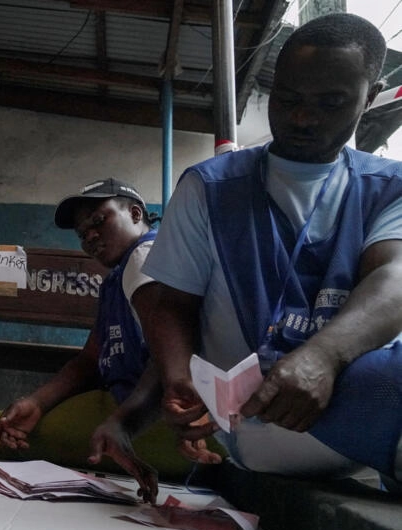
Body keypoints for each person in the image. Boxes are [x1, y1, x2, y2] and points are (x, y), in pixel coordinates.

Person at [143, 12, 402, 487]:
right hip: (254, 426)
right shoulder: (211, 187)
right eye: (288, 99)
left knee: (383, 378)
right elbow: (172, 304)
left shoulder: (390, 187)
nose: (303, 118)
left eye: (331, 103)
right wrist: (179, 379)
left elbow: (395, 277)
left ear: (371, 93)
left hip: (359, 416)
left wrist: (323, 357)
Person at [0, 178, 220, 503]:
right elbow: (89, 360)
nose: (90, 236)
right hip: (128, 410)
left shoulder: (145, 257)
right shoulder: (118, 279)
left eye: (99, 221)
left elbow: (171, 359)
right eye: (82, 234)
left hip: (163, 422)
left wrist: (121, 424)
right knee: (27, 424)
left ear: (136, 213)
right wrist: (37, 402)